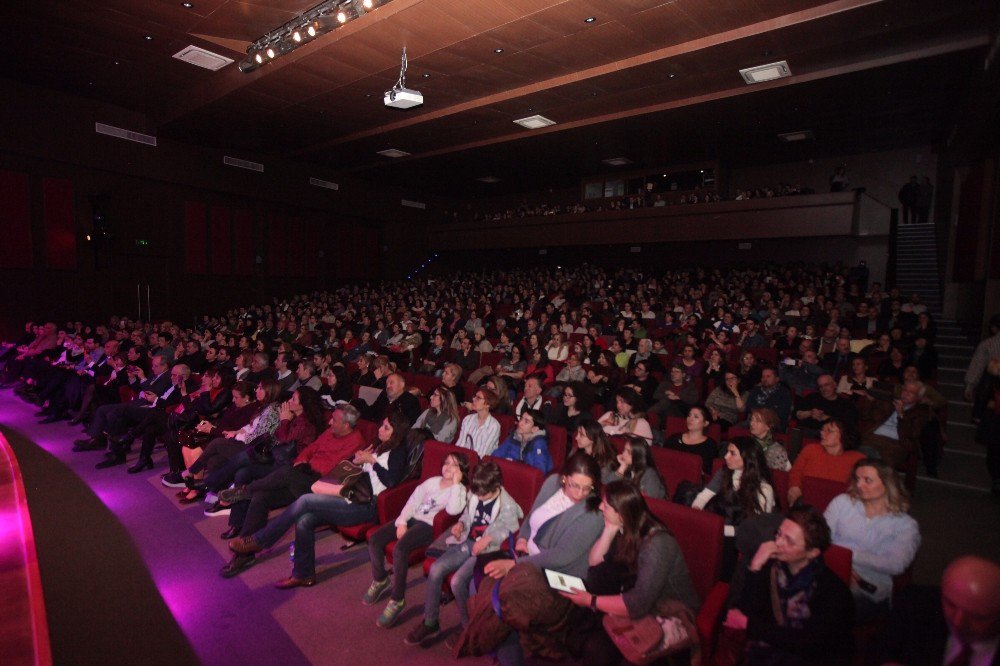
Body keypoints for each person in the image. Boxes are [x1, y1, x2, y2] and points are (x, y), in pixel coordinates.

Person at [225, 412, 413, 581]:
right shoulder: (381, 447)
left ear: (396, 432)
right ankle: (303, 574)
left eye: (386, 427)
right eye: (382, 424)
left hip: (364, 506)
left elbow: (391, 481)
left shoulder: (398, 452)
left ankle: (259, 541)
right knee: (305, 520)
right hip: (349, 496)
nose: (380, 429)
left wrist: (371, 461)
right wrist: (360, 461)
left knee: (305, 501)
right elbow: (361, 474)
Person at [455, 453, 604, 663]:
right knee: (477, 582)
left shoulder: (593, 512)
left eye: (587, 488)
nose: (579, 494)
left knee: (506, 605)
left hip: (558, 577)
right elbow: (532, 516)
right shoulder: (552, 483)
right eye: (574, 485)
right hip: (528, 559)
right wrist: (523, 537)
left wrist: (514, 564)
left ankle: (491, 645)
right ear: (564, 478)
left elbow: (561, 556)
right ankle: (491, 646)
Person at [558, 481, 701, 665]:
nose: (601, 507)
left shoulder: (657, 544)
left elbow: (639, 603)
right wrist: (609, 530)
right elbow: (594, 563)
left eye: (606, 505)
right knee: (581, 632)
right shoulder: (625, 526)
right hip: (641, 601)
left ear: (622, 513)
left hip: (670, 611)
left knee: (596, 648)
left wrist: (591, 600)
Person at [404, 460, 523, 645]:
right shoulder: (475, 492)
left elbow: (511, 527)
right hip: (468, 541)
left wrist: (488, 539)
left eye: (484, 495)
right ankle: (430, 622)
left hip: (486, 550)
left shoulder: (506, 504)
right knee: (436, 569)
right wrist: (461, 524)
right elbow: (467, 514)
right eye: (477, 494)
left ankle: (468, 626)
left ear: (497, 486)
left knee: (458, 581)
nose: (479, 497)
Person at [730, 506, 854, 664]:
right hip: (766, 652)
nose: (778, 542)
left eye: (789, 541)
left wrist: (751, 625)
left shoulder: (833, 592)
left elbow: (809, 643)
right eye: (779, 533)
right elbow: (745, 609)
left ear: (812, 553)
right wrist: (755, 567)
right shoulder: (769, 567)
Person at [363, 451, 469, 628]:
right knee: (375, 539)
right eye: (447, 463)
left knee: (400, 549)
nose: (448, 467)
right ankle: (381, 579)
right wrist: (402, 521)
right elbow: (413, 502)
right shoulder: (432, 481)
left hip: (428, 526)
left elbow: (453, 510)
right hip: (412, 518)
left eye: (454, 465)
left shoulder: (459, 490)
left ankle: (397, 600)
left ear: (462, 471)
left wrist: (457, 484)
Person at [824, 458, 921, 622]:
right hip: (832, 571)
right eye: (857, 479)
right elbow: (822, 538)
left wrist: (847, 556)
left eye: (867, 480)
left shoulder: (905, 525)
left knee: (831, 609)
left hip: (870, 586)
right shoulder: (843, 502)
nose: (860, 485)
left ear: (887, 484)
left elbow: (895, 564)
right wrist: (842, 564)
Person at [872, 555, 1000, 665]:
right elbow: (879, 651)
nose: (958, 621)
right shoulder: (917, 607)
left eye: (977, 617)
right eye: (951, 605)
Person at [693, 438, 775, 538]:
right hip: (719, 526)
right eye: (727, 451)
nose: (726, 456)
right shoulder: (725, 472)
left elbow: (756, 528)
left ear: (747, 458)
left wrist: (718, 529)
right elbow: (704, 496)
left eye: (732, 453)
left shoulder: (764, 488)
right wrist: (696, 514)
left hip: (740, 537)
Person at [787, 420, 865, 506]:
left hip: (838, 506)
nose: (822, 433)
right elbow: (796, 472)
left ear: (844, 435)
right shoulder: (810, 449)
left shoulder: (857, 459)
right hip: (806, 503)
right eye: (823, 430)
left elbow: (859, 488)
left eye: (829, 430)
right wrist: (794, 486)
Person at [492, 408, 553, 474]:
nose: (520, 423)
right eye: (521, 419)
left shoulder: (539, 444)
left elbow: (539, 472)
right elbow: (496, 456)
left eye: (526, 421)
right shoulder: (514, 437)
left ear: (535, 429)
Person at [604, 434, 666, 499]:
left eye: (629, 452)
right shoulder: (625, 467)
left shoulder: (649, 474)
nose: (623, 454)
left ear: (638, 455)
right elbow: (607, 487)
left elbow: (651, 501)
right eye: (624, 450)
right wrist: (622, 468)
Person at [663, 405, 719, 475]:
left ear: (705, 423)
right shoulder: (674, 438)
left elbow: (707, 471)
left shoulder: (710, 445)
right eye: (689, 415)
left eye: (696, 417)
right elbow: (662, 459)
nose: (690, 419)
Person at [455, 388, 501, 457]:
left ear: (487, 404)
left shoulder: (494, 426)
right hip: (463, 459)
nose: (473, 399)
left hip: (480, 463)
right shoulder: (468, 419)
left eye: (478, 398)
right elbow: (460, 444)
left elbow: (484, 453)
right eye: (474, 396)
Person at [747, 407, 792, 472]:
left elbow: (777, 477)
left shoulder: (777, 450)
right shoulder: (747, 443)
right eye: (752, 419)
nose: (752, 423)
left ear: (768, 426)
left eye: (758, 421)